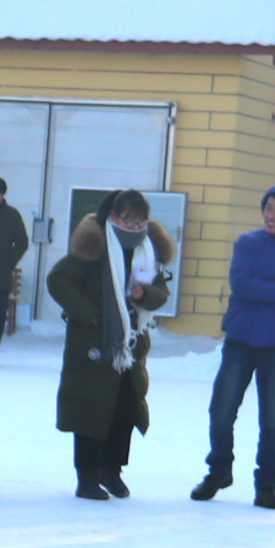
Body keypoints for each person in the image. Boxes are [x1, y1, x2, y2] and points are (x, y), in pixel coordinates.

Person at [200, 181, 275, 509]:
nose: (272, 215)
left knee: (272, 420)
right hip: (240, 340)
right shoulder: (248, 244)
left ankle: (267, 485)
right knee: (221, 412)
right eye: (269, 208)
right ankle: (218, 471)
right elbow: (241, 284)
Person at [51, 187, 174, 499]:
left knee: (124, 409)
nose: (134, 226)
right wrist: (88, 314)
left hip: (130, 346)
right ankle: (86, 476)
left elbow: (161, 293)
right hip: (94, 345)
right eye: (128, 219)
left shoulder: (148, 251)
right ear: (114, 216)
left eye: (139, 220)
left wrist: (145, 295)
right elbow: (58, 280)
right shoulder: (95, 246)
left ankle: (112, 470)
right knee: (90, 410)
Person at [0, 175, 31, 365]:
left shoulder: (11, 215)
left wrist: (7, 262)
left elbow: (22, 242)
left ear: (2, 195)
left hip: (0, 274)